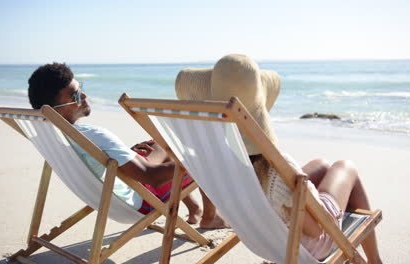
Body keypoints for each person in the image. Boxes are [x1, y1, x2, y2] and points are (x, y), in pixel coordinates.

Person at [175, 54, 382, 263]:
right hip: (307, 246)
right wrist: (307, 198)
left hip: (262, 239)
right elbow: (315, 229)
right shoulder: (276, 169)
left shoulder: (213, 160)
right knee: (345, 167)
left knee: (322, 165)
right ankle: (375, 261)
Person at [27, 62, 228, 229]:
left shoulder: (53, 135)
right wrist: (199, 158)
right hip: (140, 203)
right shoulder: (95, 136)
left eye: (82, 89)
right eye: (76, 96)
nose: (85, 97)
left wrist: (127, 156)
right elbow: (153, 178)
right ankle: (211, 218)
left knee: (161, 145)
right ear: (55, 109)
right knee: (196, 153)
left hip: (109, 196)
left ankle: (195, 210)